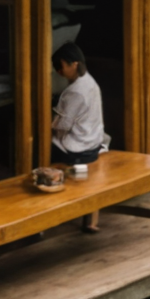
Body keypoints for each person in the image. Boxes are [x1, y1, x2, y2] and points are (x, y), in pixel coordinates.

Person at [51, 42, 107, 232]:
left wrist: (51, 122)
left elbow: (64, 125)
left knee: (41, 155)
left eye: (60, 66)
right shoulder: (90, 82)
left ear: (73, 64)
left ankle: (55, 201)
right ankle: (90, 219)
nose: (58, 71)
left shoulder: (75, 91)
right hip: (94, 143)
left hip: (80, 150)